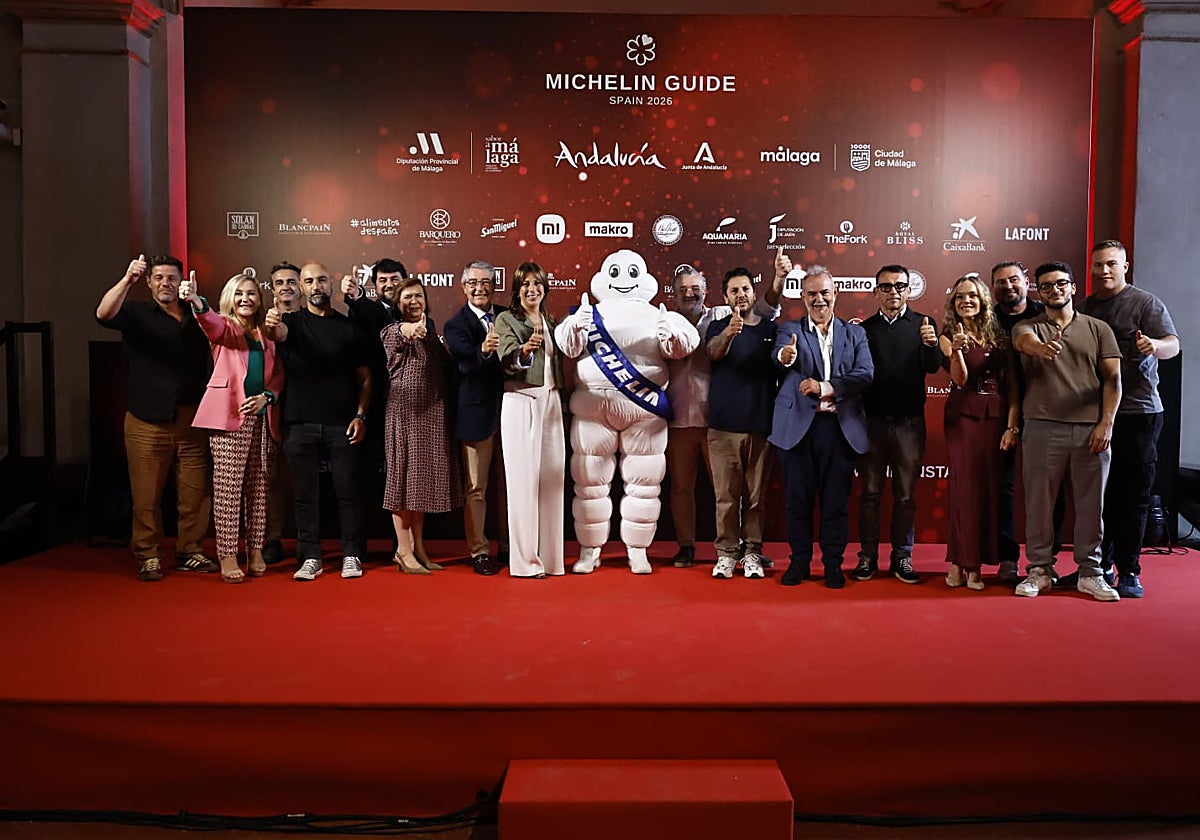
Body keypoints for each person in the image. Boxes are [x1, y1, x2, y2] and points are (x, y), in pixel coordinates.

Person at [554, 249, 700, 574]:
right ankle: (590, 549)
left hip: (644, 412)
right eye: (616, 272)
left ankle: (638, 550)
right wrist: (575, 327)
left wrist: (671, 335)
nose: (623, 279)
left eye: (631, 273)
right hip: (593, 408)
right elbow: (566, 345)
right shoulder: (585, 315)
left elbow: (685, 344)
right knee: (589, 484)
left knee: (645, 485)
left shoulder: (658, 315)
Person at [95, 254, 215, 582]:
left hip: (192, 417)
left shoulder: (197, 315)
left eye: (172, 278)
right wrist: (127, 279)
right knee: (146, 496)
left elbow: (222, 335)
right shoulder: (134, 312)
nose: (166, 283)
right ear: (149, 283)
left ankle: (190, 550)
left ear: (182, 282)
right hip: (146, 420)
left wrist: (199, 303)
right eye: (159, 278)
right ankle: (148, 555)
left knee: (195, 493)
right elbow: (103, 313)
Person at [1011, 261, 1122, 601]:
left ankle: (1091, 572)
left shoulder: (1098, 328)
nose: (1054, 290)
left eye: (1061, 284)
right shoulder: (1026, 326)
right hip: (1043, 428)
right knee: (1039, 503)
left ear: (1074, 287)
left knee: (1092, 506)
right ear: (1038, 292)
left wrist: (1106, 424)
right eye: (1046, 286)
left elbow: (1113, 380)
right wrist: (1041, 349)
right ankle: (1040, 570)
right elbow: (1024, 342)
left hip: (1091, 429)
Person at [665, 254, 784, 568]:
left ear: (707, 291)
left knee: (740, 492)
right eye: (683, 288)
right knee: (685, 488)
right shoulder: (665, 321)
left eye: (695, 288)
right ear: (674, 292)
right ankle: (688, 546)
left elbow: (765, 308)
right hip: (678, 417)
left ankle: (749, 551)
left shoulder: (721, 315)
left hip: (714, 418)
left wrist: (778, 279)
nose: (690, 293)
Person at [1078, 239, 1180, 598]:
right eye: (1097, 265)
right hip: (1093, 414)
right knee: (1098, 496)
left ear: (1124, 266)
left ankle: (1130, 570)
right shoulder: (1084, 308)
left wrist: (1154, 345)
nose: (1104, 271)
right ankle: (1098, 566)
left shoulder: (1145, 303)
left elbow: (1173, 344)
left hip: (1138, 414)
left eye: (1110, 264)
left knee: (1133, 495)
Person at [769, 266, 873, 589]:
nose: (819, 299)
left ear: (834, 294)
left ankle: (832, 565)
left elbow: (865, 374)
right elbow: (780, 355)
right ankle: (799, 563)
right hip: (798, 429)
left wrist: (824, 386)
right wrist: (786, 357)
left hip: (839, 430)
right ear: (802, 297)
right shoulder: (790, 330)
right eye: (811, 294)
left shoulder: (855, 334)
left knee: (835, 502)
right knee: (797, 501)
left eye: (824, 292)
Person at [268, 261, 371, 581]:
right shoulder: (291, 322)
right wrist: (272, 325)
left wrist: (360, 415)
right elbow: (279, 334)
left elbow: (365, 378)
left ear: (331, 284)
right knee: (305, 495)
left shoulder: (349, 326)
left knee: (347, 492)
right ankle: (311, 555)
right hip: (300, 423)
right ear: (302, 287)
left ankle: (351, 554)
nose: (316, 286)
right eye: (309, 281)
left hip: (342, 423)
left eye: (322, 280)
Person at [184, 270, 284, 583]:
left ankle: (255, 549)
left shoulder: (267, 334)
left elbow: (279, 374)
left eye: (252, 293)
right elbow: (209, 322)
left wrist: (267, 397)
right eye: (239, 293)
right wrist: (197, 301)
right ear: (230, 298)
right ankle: (227, 554)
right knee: (228, 490)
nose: (246, 299)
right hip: (230, 415)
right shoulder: (225, 328)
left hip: (262, 418)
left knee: (258, 488)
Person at [853, 264, 941, 585]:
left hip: (909, 424)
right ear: (876, 291)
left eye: (900, 286)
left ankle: (902, 556)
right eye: (887, 287)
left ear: (909, 289)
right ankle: (868, 556)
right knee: (871, 493)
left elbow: (933, 369)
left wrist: (931, 345)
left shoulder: (923, 325)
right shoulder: (864, 329)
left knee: (905, 495)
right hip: (873, 423)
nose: (894, 292)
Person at [938, 274, 1020, 591]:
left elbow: (1013, 389)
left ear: (983, 299)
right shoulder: (948, 335)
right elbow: (959, 379)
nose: (966, 301)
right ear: (953, 304)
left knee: (988, 493)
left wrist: (1013, 426)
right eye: (960, 297)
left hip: (996, 420)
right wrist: (957, 350)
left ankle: (974, 564)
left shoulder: (1000, 337)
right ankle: (962, 563)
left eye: (972, 295)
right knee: (965, 491)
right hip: (963, 419)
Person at [380, 277, 462, 573]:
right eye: (406, 298)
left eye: (418, 296)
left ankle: (419, 548)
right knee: (403, 484)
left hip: (430, 416)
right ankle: (403, 551)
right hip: (404, 415)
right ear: (397, 304)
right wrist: (411, 329)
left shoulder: (432, 334)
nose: (413, 302)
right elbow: (402, 334)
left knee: (419, 486)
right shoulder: (392, 330)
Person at [705, 267, 779, 579]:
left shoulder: (771, 330)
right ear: (725, 297)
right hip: (722, 429)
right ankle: (725, 553)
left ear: (753, 292)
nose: (741, 295)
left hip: (760, 426)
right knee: (725, 497)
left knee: (755, 497)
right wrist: (728, 334)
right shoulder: (717, 327)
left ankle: (752, 552)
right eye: (734, 291)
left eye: (745, 289)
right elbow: (712, 353)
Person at [494, 262, 566, 578]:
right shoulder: (507, 319)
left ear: (545, 288)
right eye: (525, 284)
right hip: (520, 401)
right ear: (516, 289)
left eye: (537, 283)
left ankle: (551, 559)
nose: (531, 289)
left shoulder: (552, 322)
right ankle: (524, 562)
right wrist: (525, 351)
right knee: (522, 485)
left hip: (551, 402)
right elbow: (507, 357)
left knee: (553, 483)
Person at [444, 261, 509, 575]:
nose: (480, 287)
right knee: (476, 489)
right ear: (463, 286)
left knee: (513, 484)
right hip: (474, 415)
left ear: (494, 284)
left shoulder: (509, 315)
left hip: (512, 411)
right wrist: (483, 350)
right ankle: (479, 550)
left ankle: (512, 545)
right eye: (473, 282)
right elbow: (465, 365)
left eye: (485, 281)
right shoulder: (456, 325)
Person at [990, 260, 1050, 585]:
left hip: (1048, 410)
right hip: (1001, 413)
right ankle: (1007, 558)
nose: (1008, 286)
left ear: (1026, 281)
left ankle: (1046, 560)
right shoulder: (988, 320)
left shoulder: (1045, 314)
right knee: (1004, 487)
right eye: (1000, 282)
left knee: (1049, 488)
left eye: (1014, 279)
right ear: (993, 288)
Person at [343, 258, 408, 557]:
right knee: (368, 476)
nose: (389, 285)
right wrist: (355, 299)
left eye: (394, 278)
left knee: (404, 476)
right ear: (374, 285)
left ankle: (403, 546)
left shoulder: (417, 312)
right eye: (382, 280)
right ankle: (361, 546)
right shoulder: (366, 313)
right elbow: (371, 318)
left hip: (409, 408)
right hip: (372, 404)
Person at [262, 260, 303, 566]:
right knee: (271, 479)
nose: (286, 287)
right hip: (270, 411)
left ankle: (306, 540)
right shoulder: (260, 326)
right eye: (280, 282)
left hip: (307, 410)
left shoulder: (314, 319)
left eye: (292, 281)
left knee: (305, 480)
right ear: (272, 288)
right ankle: (271, 539)